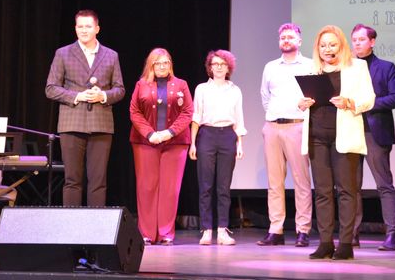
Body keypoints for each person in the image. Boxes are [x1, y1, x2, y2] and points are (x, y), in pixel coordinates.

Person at [299, 25, 375, 260]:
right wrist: (301, 103)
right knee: (322, 192)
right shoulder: (311, 69)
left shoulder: (357, 67)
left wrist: (349, 103)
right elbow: (301, 99)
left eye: (332, 44)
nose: (327, 49)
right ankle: (325, 243)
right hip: (316, 136)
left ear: (341, 45)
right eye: (323, 45)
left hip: (344, 136)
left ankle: (345, 243)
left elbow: (369, 99)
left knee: (346, 191)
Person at [46, 9, 125, 206]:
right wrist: (77, 96)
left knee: (98, 181)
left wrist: (103, 95)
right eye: (80, 26)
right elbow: (51, 88)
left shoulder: (111, 55)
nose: (84, 30)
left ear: (97, 28)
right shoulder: (63, 53)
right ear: (75, 28)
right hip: (72, 123)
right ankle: (71, 223)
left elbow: (120, 89)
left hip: (101, 124)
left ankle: (95, 224)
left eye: (88, 26)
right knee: (72, 180)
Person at [129, 48, 193, 246]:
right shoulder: (141, 84)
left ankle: (166, 233)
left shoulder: (181, 84)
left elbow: (188, 111)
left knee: (170, 189)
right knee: (146, 187)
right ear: (151, 65)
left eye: (166, 62)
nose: (162, 66)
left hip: (175, 143)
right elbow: (134, 112)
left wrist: (169, 132)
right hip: (145, 142)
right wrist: (150, 134)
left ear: (170, 64)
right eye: (158, 63)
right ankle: (146, 233)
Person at [257, 23, 313, 247]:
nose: (286, 40)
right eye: (283, 37)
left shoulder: (310, 65)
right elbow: (265, 96)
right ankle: (276, 229)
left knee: (301, 180)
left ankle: (303, 230)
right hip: (273, 127)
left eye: (290, 37)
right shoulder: (270, 67)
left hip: (297, 126)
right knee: (274, 182)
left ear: (299, 41)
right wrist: (274, 115)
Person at [350, 23, 395, 251]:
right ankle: (351, 234)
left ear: (372, 42)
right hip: (351, 131)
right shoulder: (348, 68)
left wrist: (369, 104)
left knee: (383, 185)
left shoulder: (385, 67)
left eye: (361, 39)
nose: (357, 44)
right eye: (354, 40)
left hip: (375, 132)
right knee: (351, 187)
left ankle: (391, 234)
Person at [189, 49, 246, 246]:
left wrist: (240, 143)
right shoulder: (201, 89)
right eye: (215, 64)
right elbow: (196, 116)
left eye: (223, 64)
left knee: (223, 187)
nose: (219, 67)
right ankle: (206, 230)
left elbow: (239, 118)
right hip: (207, 135)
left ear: (228, 67)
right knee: (205, 186)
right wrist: (193, 143)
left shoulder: (235, 90)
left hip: (228, 136)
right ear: (210, 68)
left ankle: (222, 230)